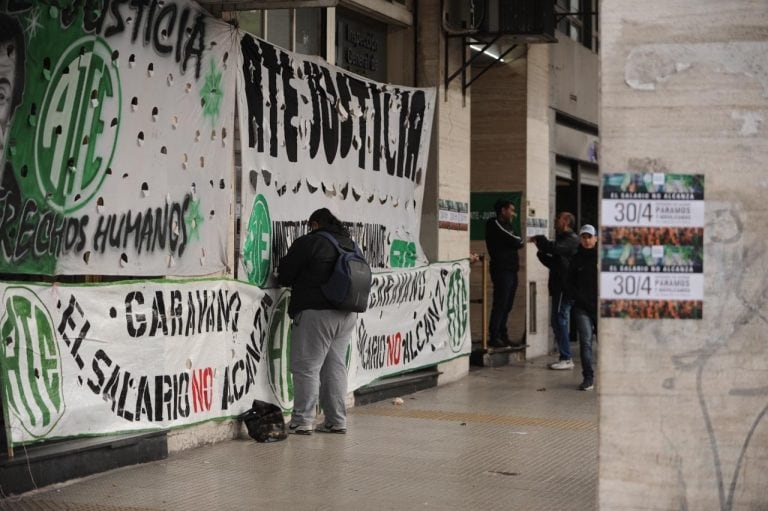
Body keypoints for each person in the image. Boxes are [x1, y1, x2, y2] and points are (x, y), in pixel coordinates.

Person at [276, 208, 357, 435]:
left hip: (316, 312)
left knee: (307, 367)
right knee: (335, 367)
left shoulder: (311, 242)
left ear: (314, 224)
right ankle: (336, 420)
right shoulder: (349, 243)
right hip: (348, 314)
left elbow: (285, 274)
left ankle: (302, 421)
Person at [531, 211, 579, 369]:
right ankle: (564, 356)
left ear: (565, 222)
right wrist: (540, 252)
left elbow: (555, 248)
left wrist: (540, 239)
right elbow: (555, 263)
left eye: (557, 218)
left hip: (566, 287)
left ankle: (566, 358)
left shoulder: (571, 240)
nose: (554, 221)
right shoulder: (563, 240)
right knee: (557, 320)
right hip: (560, 286)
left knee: (560, 319)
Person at [484, 198, 525, 348]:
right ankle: (494, 336)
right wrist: (517, 241)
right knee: (500, 303)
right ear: (503, 210)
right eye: (511, 210)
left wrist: (517, 241)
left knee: (508, 304)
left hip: (512, 270)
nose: (513, 213)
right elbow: (517, 241)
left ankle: (503, 334)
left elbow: (518, 241)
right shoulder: (494, 223)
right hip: (501, 270)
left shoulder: (508, 225)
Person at [567, 224, 598, 390]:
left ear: (596, 238)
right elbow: (569, 282)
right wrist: (576, 297)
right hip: (582, 307)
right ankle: (588, 377)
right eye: (584, 237)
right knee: (585, 342)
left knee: (606, 344)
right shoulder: (576, 258)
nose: (586, 240)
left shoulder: (602, 257)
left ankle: (611, 377)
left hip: (600, 308)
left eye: (589, 237)